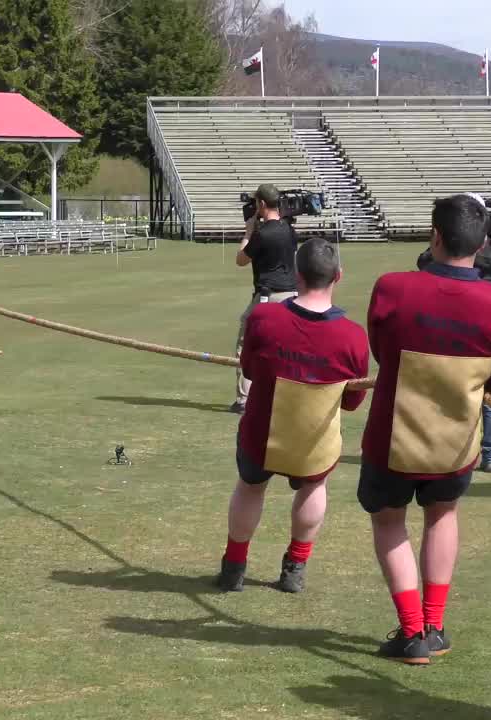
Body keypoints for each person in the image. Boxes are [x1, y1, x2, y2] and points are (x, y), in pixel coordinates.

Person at [360, 194, 491, 664]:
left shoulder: (392, 288)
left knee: (390, 521)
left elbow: (381, 350)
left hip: (392, 438)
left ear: (435, 236)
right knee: (443, 514)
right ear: (482, 244)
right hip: (456, 442)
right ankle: (433, 625)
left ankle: (413, 631)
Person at [217, 238, 370, 594]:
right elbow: (352, 402)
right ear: (338, 276)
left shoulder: (264, 317)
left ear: (297, 275)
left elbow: (251, 371)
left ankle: (233, 567)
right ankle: (295, 569)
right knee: (315, 484)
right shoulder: (353, 337)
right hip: (313, 442)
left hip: (260, 436)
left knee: (250, 486)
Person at [416, 193, 491, 473]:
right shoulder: (489, 247)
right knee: (490, 396)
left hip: (460, 316)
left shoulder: (478, 248)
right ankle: (490, 453)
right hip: (484, 317)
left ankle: (474, 450)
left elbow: (425, 261)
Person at [231, 184, 299, 414]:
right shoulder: (289, 230)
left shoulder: (262, 234)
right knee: (286, 347)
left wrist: (249, 232)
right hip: (291, 295)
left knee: (247, 342)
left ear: (261, 204)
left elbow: (241, 260)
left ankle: (244, 399)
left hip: (268, 296)